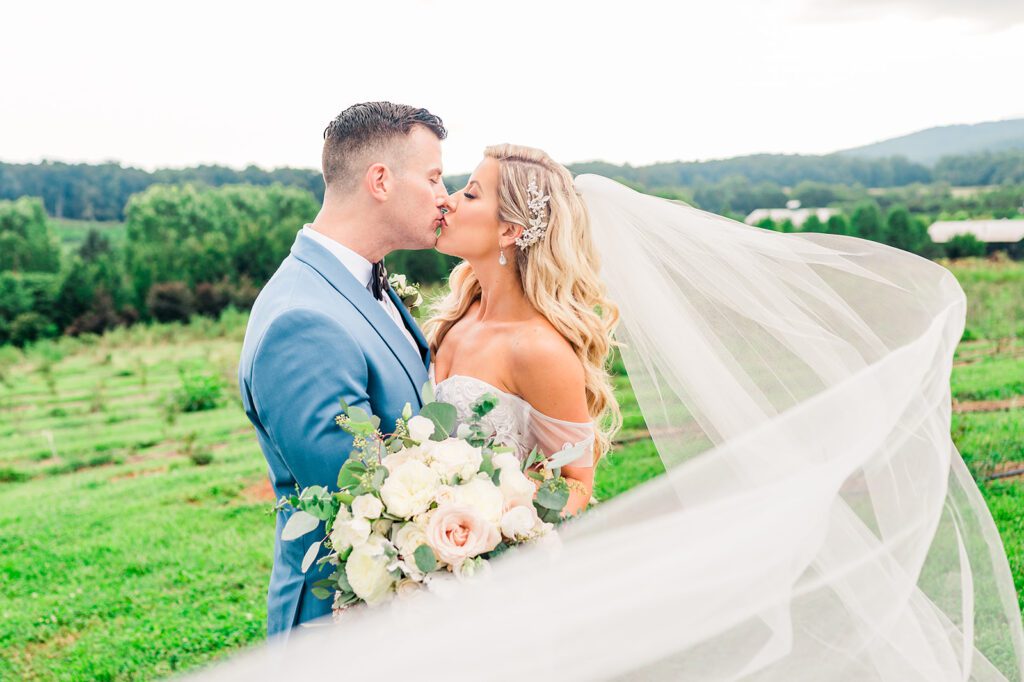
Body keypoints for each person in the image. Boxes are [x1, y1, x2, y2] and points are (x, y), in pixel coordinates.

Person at [220, 142, 1023, 679]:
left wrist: (485, 519)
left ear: (510, 230)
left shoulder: (541, 348)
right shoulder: (447, 315)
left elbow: (575, 486)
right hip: (434, 575)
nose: (448, 203)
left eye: (467, 191)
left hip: (491, 573)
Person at [237, 101, 448, 637]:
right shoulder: (301, 322)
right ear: (381, 180)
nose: (445, 197)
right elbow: (362, 500)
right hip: (341, 628)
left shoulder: (358, 282)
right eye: (433, 177)